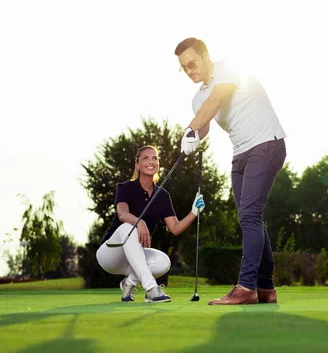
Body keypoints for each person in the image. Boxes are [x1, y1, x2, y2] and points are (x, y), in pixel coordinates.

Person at [175, 37, 287, 305]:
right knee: (250, 217)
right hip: (240, 154)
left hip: (266, 143)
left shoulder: (228, 68)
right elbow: (205, 124)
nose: (190, 71)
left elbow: (217, 99)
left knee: (250, 215)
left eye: (192, 63)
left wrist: (190, 128)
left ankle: (246, 287)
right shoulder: (197, 98)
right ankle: (266, 289)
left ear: (205, 56)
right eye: (184, 68)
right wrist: (193, 138)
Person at [96, 145, 205, 303]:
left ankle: (129, 283)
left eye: (155, 158)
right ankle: (151, 289)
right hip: (111, 254)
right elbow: (122, 214)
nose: (151, 161)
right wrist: (139, 222)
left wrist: (193, 212)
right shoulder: (125, 188)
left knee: (164, 262)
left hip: (135, 256)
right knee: (128, 226)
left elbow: (175, 228)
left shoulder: (162, 196)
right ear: (137, 165)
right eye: (145, 158)